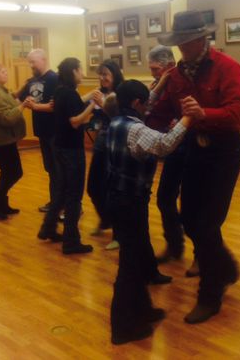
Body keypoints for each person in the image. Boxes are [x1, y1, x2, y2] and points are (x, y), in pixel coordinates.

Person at [150, 11, 240, 324]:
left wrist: (203, 113)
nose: (181, 47)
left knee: (208, 224)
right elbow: (162, 111)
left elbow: (239, 115)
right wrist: (133, 113)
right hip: (194, 148)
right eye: (178, 42)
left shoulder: (228, 68)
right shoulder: (176, 75)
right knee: (190, 220)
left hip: (223, 152)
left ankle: (211, 291)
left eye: (185, 41)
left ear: (201, 38)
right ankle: (226, 266)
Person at [107, 80, 192, 344]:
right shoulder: (136, 130)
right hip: (129, 201)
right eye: (145, 103)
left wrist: (164, 81)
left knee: (139, 254)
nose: (149, 106)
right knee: (130, 265)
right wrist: (187, 119)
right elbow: (165, 144)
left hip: (121, 198)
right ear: (136, 104)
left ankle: (143, 309)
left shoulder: (116, 120)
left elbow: (147, 101)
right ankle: (123, 328)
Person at [38, 57, 100, 254]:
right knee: (74, 195)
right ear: (73, 71)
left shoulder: (61, 91)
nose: (82, 73)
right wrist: (93, 104)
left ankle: (47, 228)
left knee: (62, 191)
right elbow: (75, 121)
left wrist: (88, 96)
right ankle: (71, 241)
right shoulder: (70, 93)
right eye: (80, 69)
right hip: (72, 151)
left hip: (60, 147)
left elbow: (69, 106)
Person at [146, 45, 188, 265]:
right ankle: (174, 245)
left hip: (192, 148)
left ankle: (201, 255)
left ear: (169, 65)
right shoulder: (161, 83)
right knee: (165, 199)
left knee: (193, 205)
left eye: (155, 68)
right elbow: (150, 112)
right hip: (174, 147)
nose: (152, 73)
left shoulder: (182, 81)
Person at [87, 60, 124, 251]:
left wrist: (102, 104)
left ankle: (119, 233)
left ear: (115, 75)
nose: (102, 78)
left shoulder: (121, 93)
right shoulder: (100, 92)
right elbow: (83, 106)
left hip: (116, 145)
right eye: (100, 74)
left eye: (106, 74)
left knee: (113, 190)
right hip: (101, 142)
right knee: (93, 186)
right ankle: (106, 220)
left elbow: (122, 120)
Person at [0, 64, 27, 220]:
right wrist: (22, 106)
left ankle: (1, 204)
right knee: (14, 172)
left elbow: (9, 97)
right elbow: (6, 118)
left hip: (2, 139)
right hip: (2, 141)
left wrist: (21, 89)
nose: (6, 73)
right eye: (2, 72)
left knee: (7, 172)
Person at [17, 49, 58, 213]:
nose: (31, 65)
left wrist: (34, 106)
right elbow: (19, 99)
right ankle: (55, 201)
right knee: (50, 169)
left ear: (43, 59)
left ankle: (65, 204)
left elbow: (55, 106)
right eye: (29, 62)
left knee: (58, 169)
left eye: (33, 62)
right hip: (42, 131)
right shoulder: (31, 81)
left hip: (55, 131)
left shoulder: (55, 79)